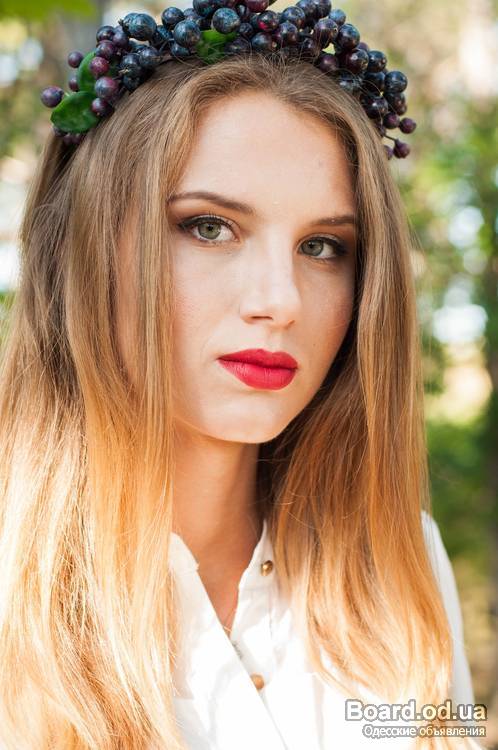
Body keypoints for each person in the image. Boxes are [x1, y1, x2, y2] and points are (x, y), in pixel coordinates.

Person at [0, 5, 482, 750]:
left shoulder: (399, 558)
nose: (280, 302)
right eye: (209, 227)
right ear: (85, 248)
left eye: (322, 247)